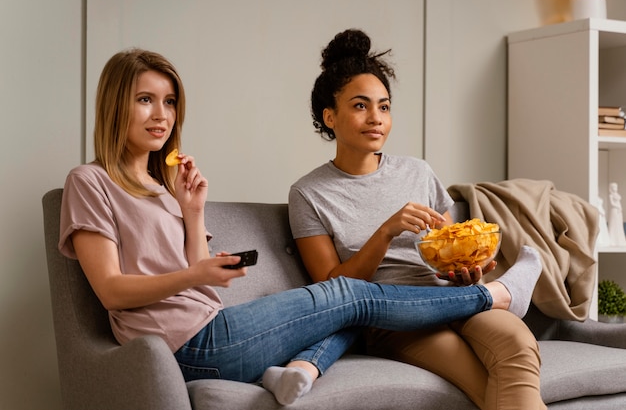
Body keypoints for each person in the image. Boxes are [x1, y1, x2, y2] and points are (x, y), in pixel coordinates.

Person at [57, 48, 535, 406]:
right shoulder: (89, 181)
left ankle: (302, 368)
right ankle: (497, 295)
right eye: (145, 100)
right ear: (115, 104)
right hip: (185, 344)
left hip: (209, 325)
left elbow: (198, 277)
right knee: (348, 294)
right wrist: (197, 276)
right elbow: (113, 292)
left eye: (169, 102)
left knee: (351, 313)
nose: (161, 115)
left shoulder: (163, 184)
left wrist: (193, 210)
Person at [288, 29, 546, 409]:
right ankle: (509, 290)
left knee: (519, 346)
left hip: (451, 297)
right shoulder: (308, 193)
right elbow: (333, 289)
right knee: (481, 383)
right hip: (392, 316)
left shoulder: (418, 172)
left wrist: (466, 268)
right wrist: (386, 232)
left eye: (385, 106)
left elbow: (447, 244)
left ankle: (500, 290)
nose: (376, 118)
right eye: (360, 106)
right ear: (330, 116)